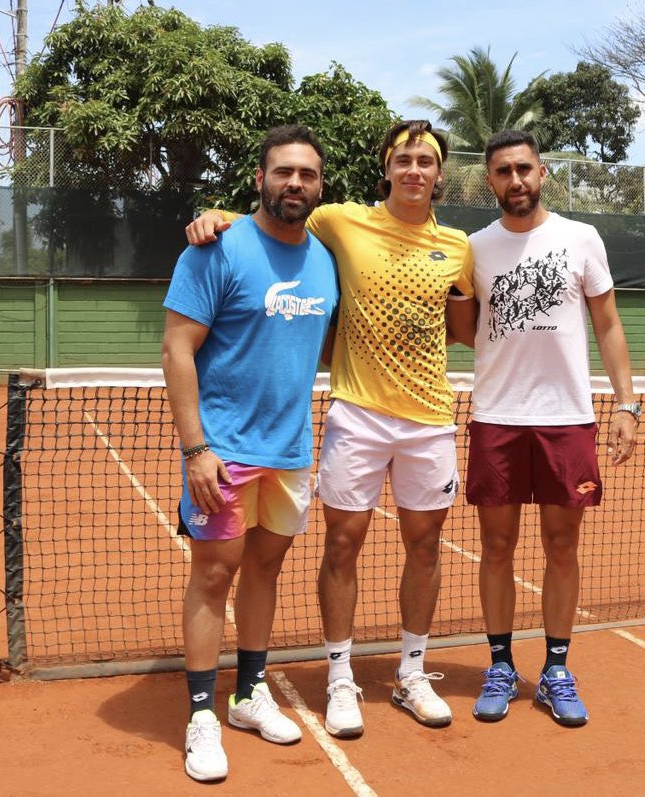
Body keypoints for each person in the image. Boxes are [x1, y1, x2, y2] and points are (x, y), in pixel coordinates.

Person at [185, 120, 474, 737]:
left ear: (440, 173)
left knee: (424, 547)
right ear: (386, 170)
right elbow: (273, 222)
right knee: (340, 545)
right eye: (404, 160)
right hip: (356, 413)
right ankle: (340, 679)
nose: (415, 170)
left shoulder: (458, 246)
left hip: (429, 420)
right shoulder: (338, 222)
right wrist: (217, 213)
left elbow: (463, 327)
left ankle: (412, 672)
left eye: (426, 160)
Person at [162, 124, 339, 782]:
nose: (295, 183)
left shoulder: (324, 259)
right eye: (283, 171)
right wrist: (196, 447)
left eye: (308, 174)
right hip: (223, 448)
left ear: (321, 186)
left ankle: (248, 694)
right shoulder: (217, 248)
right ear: (260, 178)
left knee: (265, 569)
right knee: (214, 577)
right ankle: (202, 714)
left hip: (291, 450)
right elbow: (176, 348)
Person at [446, 129, 638, 728]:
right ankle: (500, 664)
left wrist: (626, 404)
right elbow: (462, 330)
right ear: (490, 181)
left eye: (524, 169)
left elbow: (607, 325)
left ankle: (556, 669)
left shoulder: (582, 238)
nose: (516, 181)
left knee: (561, 548)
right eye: (503, 172)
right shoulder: (472, 248)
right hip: (497, 419)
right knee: (497, 548)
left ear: (542, 173)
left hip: (568, 422)